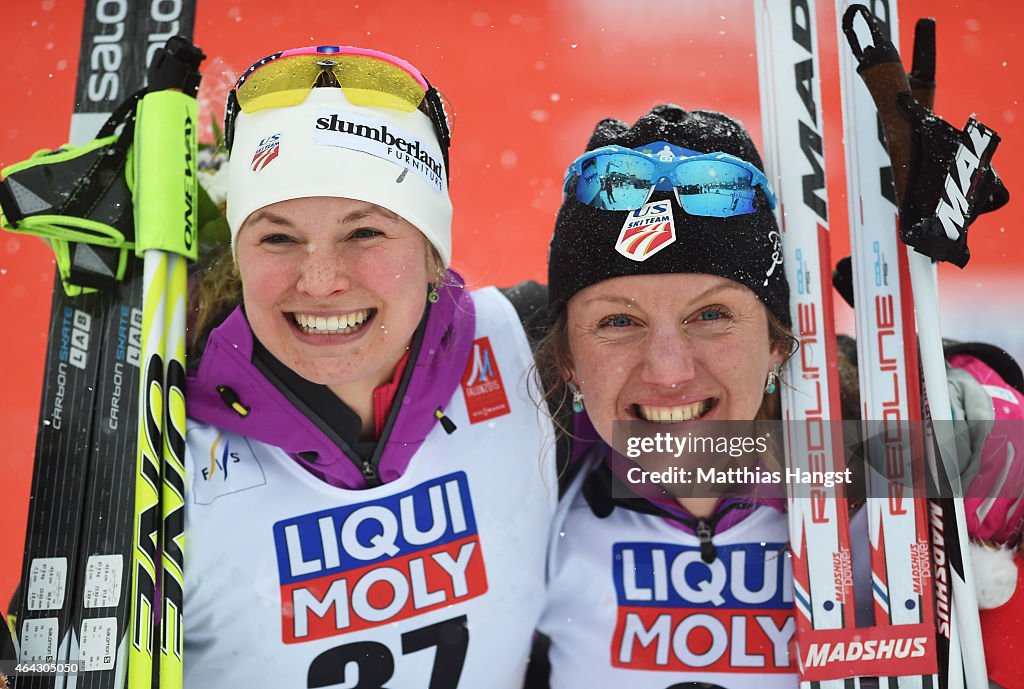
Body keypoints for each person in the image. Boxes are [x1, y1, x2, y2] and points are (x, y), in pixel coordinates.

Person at [532, 104, 1024, 688]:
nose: (667, 372)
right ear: (567, 359)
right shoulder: (527, 479)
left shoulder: (883, 474)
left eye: (711, 315)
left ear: (777, 344)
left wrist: (989, 428)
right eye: (618, 322)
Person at [183, 45, 557, 688]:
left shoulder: (534, 351)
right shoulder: (165, 446)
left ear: (433, 251)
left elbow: (724, 456)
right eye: (278, 237)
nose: (321, 281)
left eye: (365, 233)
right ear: (240, 254)